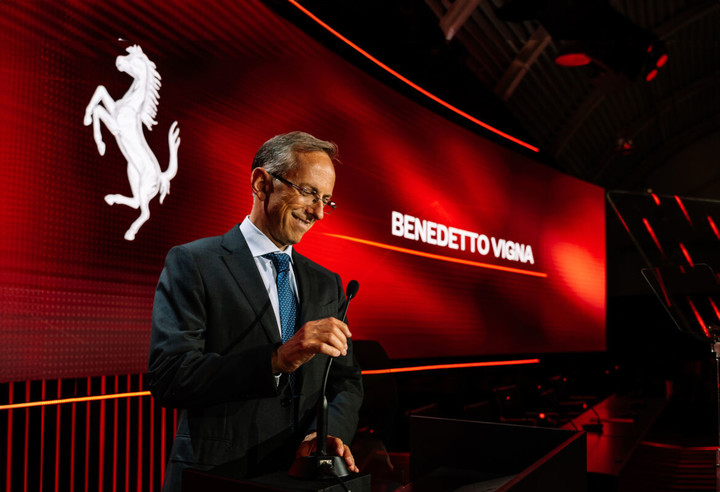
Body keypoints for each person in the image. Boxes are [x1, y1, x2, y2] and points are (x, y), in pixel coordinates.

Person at [148, 131, 364, 491]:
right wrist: (277, 359)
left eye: (326, 200)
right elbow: (170, 378)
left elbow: (346, 382)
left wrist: (325, 433)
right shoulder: (194, 263)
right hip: (218, 476)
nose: (318, 213)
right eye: (308, 192)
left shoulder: (327, 283)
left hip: (302, 477)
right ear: (262, 183)